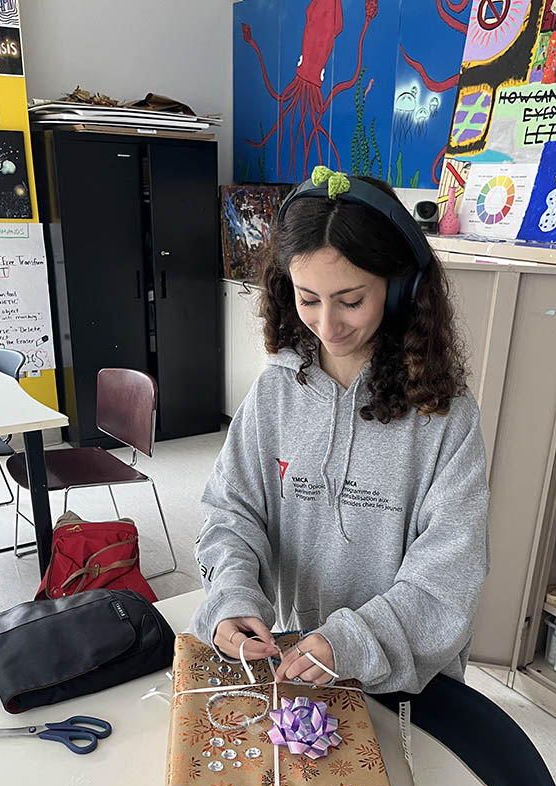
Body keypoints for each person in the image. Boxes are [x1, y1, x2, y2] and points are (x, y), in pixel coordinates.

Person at [189, 166, 489, 696]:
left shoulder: (446, 416)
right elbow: (232, 512)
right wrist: (231, 595)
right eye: (308, 299)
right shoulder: (276, 389)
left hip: (402, 685)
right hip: (296, 669)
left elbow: (447, 578)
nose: (328, 326)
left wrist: (350, 642)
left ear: (401, 290)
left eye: (351, 301)